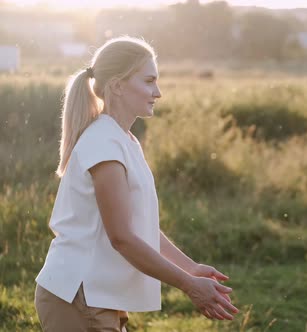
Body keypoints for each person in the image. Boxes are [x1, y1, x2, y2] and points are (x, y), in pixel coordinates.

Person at [34, 36, 239, 331]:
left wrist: (191, 268)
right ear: (118, 85)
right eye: (149, 81)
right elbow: (123, 238)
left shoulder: (123, 140)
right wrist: (188, 285)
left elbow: (137, 227)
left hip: (96, 297)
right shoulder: (103, 143)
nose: (158, 92)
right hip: (78, 296)